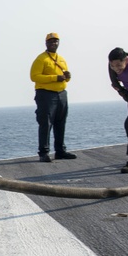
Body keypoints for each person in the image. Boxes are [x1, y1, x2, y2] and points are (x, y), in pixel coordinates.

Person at [30, 32, 76, 162]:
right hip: (45, 94)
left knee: (60, 122)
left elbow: (65, 79)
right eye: (50, 41)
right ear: (46, 43)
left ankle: (60, 151)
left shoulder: (61, 59)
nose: (53, 43)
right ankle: (43, 153)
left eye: (56, 41)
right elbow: (34, 76)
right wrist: (55, 78)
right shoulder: (41, 59)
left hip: (61, 94)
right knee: (46, 123)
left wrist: (67, 77)